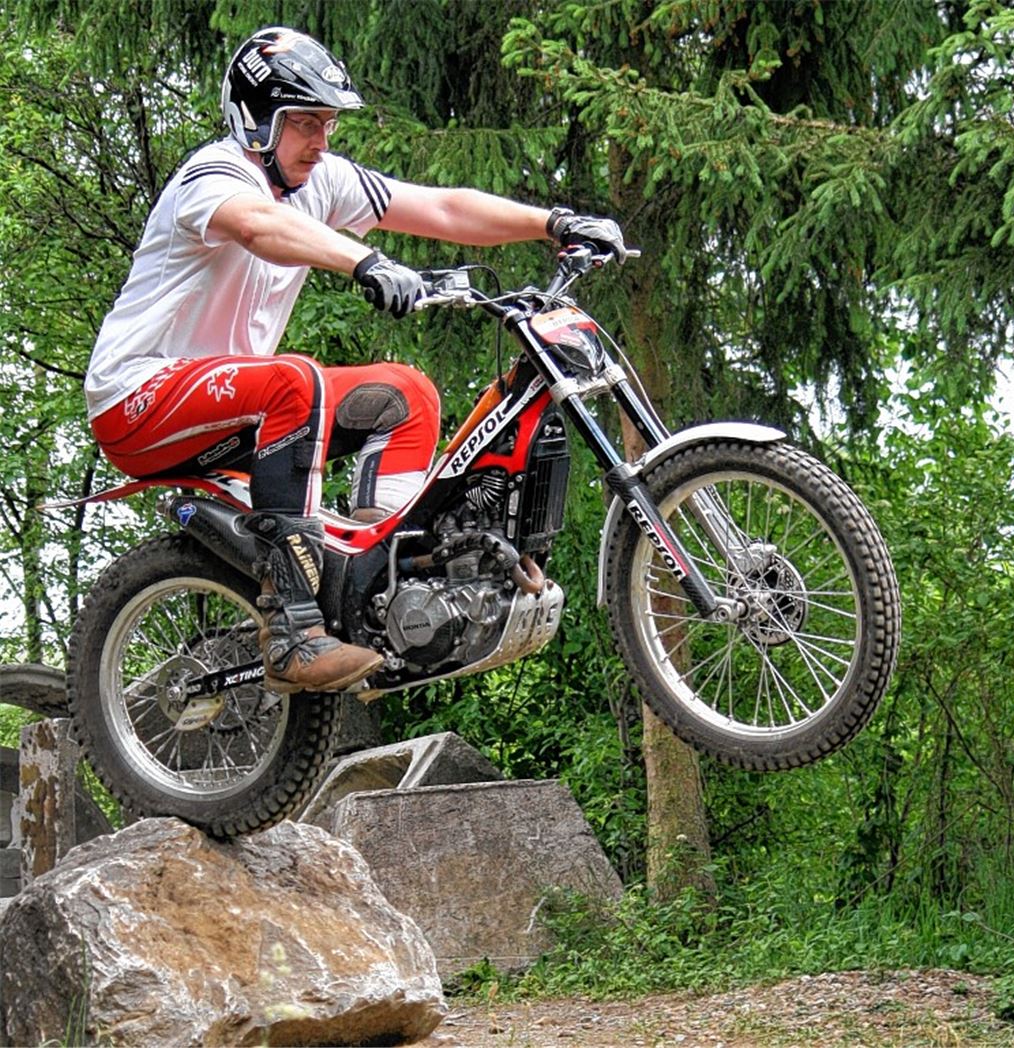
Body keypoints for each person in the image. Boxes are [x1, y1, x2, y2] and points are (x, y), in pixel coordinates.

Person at [84, 26, 627, 696]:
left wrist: (553, 223)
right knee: (293, 380)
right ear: (257, 121)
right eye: (305, 123)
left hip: (232, 405)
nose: (321, 141)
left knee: (406, 393)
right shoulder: (214, 174)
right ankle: (292, 630)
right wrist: (361, 260)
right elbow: (259, 226)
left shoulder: (322, 181)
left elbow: (439, 206)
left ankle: (384, 573)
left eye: (328, 124)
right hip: (137, 398)